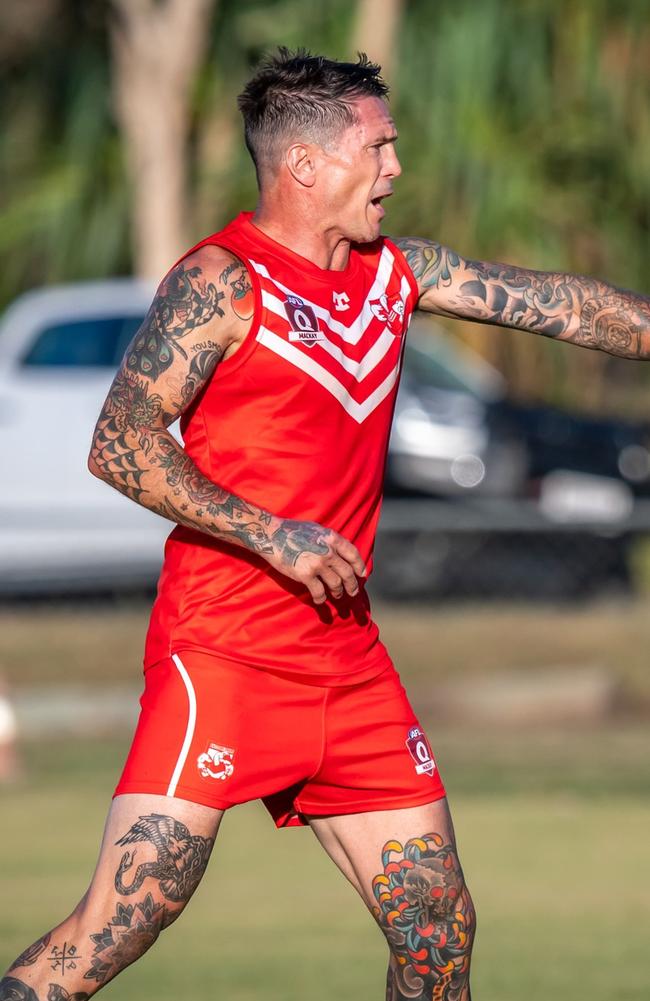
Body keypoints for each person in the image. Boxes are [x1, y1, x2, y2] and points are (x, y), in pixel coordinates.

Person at [3, 49, 649, 1001]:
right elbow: (120, 440)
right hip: (220, 650)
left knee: (437, 932)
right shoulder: (223, 281)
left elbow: (561, 304)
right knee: (124, 918)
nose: (395, 167)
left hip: (346, 657)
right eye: (378, 147)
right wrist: (273, 533)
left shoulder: (396, 274)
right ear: (304, 165)